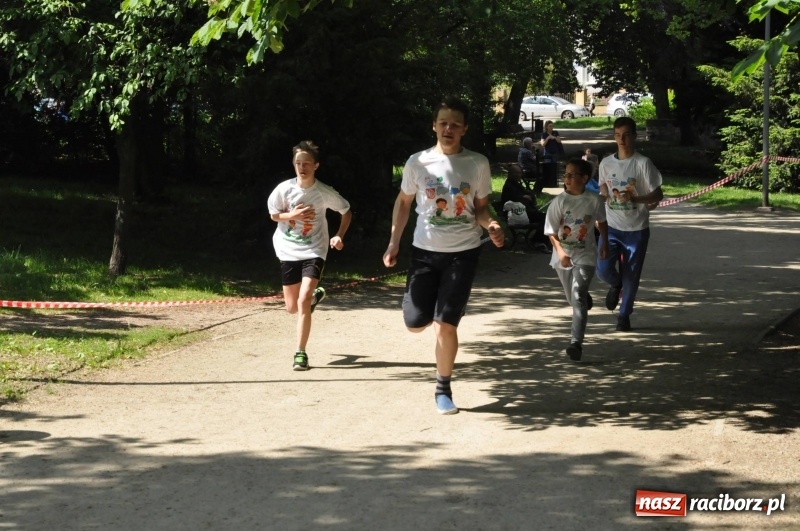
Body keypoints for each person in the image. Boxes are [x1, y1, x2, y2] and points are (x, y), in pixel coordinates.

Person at [383, 97, 504, 415]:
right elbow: (404, 202)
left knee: (445, 324)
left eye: (455, 124)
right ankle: (419, 307)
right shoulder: (417, 162)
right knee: (414, 323)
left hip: (463, 253)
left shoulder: (476, 163)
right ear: (434, 126)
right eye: (443, 122)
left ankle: (443, 389)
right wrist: (394, 242)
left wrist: (490, 223)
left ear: (464, 129)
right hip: (424, 253)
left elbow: (480, 208)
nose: (448, 128)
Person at [267, 140, 352, 371]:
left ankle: (300, 353)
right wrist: (291, 215)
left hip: (315, 249)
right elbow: (274, 215)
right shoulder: (283, 190)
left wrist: (339, 235)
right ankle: (316, 298)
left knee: (302, 300)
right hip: (287, 249)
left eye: (306, 163)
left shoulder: (323, 193)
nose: (301, 167)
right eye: (297, 163)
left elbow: (346, 211)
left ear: (316, 166)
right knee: (292, 308)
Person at [597, 117, 663, 332]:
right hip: (612, 227)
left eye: (626, 135)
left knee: (631, 275)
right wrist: (605, 195)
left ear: (634, 136)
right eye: (617, 135)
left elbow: (658, 194)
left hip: (636, 230)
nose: (622, 139)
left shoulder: (643, 163)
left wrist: (635, 199)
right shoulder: (606, 163)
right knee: (603, 269)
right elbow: (603, 189)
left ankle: (624, 315)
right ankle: (615, 285)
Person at [545, 158, 608, 361]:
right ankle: (582, 296)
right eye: (566, 175)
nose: (568, 179)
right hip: (562, 255)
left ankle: (576, 343)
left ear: (584, 178)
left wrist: (605, 242)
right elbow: (551, 232)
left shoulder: (594, 200)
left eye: (573, 175)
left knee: (577, 295)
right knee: (572, 298)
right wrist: (561, 253)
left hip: (585, 254)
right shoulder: (559, 202)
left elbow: (601, 221)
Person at [540, 120, 563, 188]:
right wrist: (548, 138)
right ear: (547, 127)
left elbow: (559, 141)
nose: (551, 127)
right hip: (547, 152)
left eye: (552, 126)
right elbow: (543, 144)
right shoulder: (544, 134)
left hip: (555, 152)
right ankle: (548, 183)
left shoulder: (555, 133)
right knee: (548, 167)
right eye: (550, 126)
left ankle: (554, 182)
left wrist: (554, 138)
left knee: (554, 167)